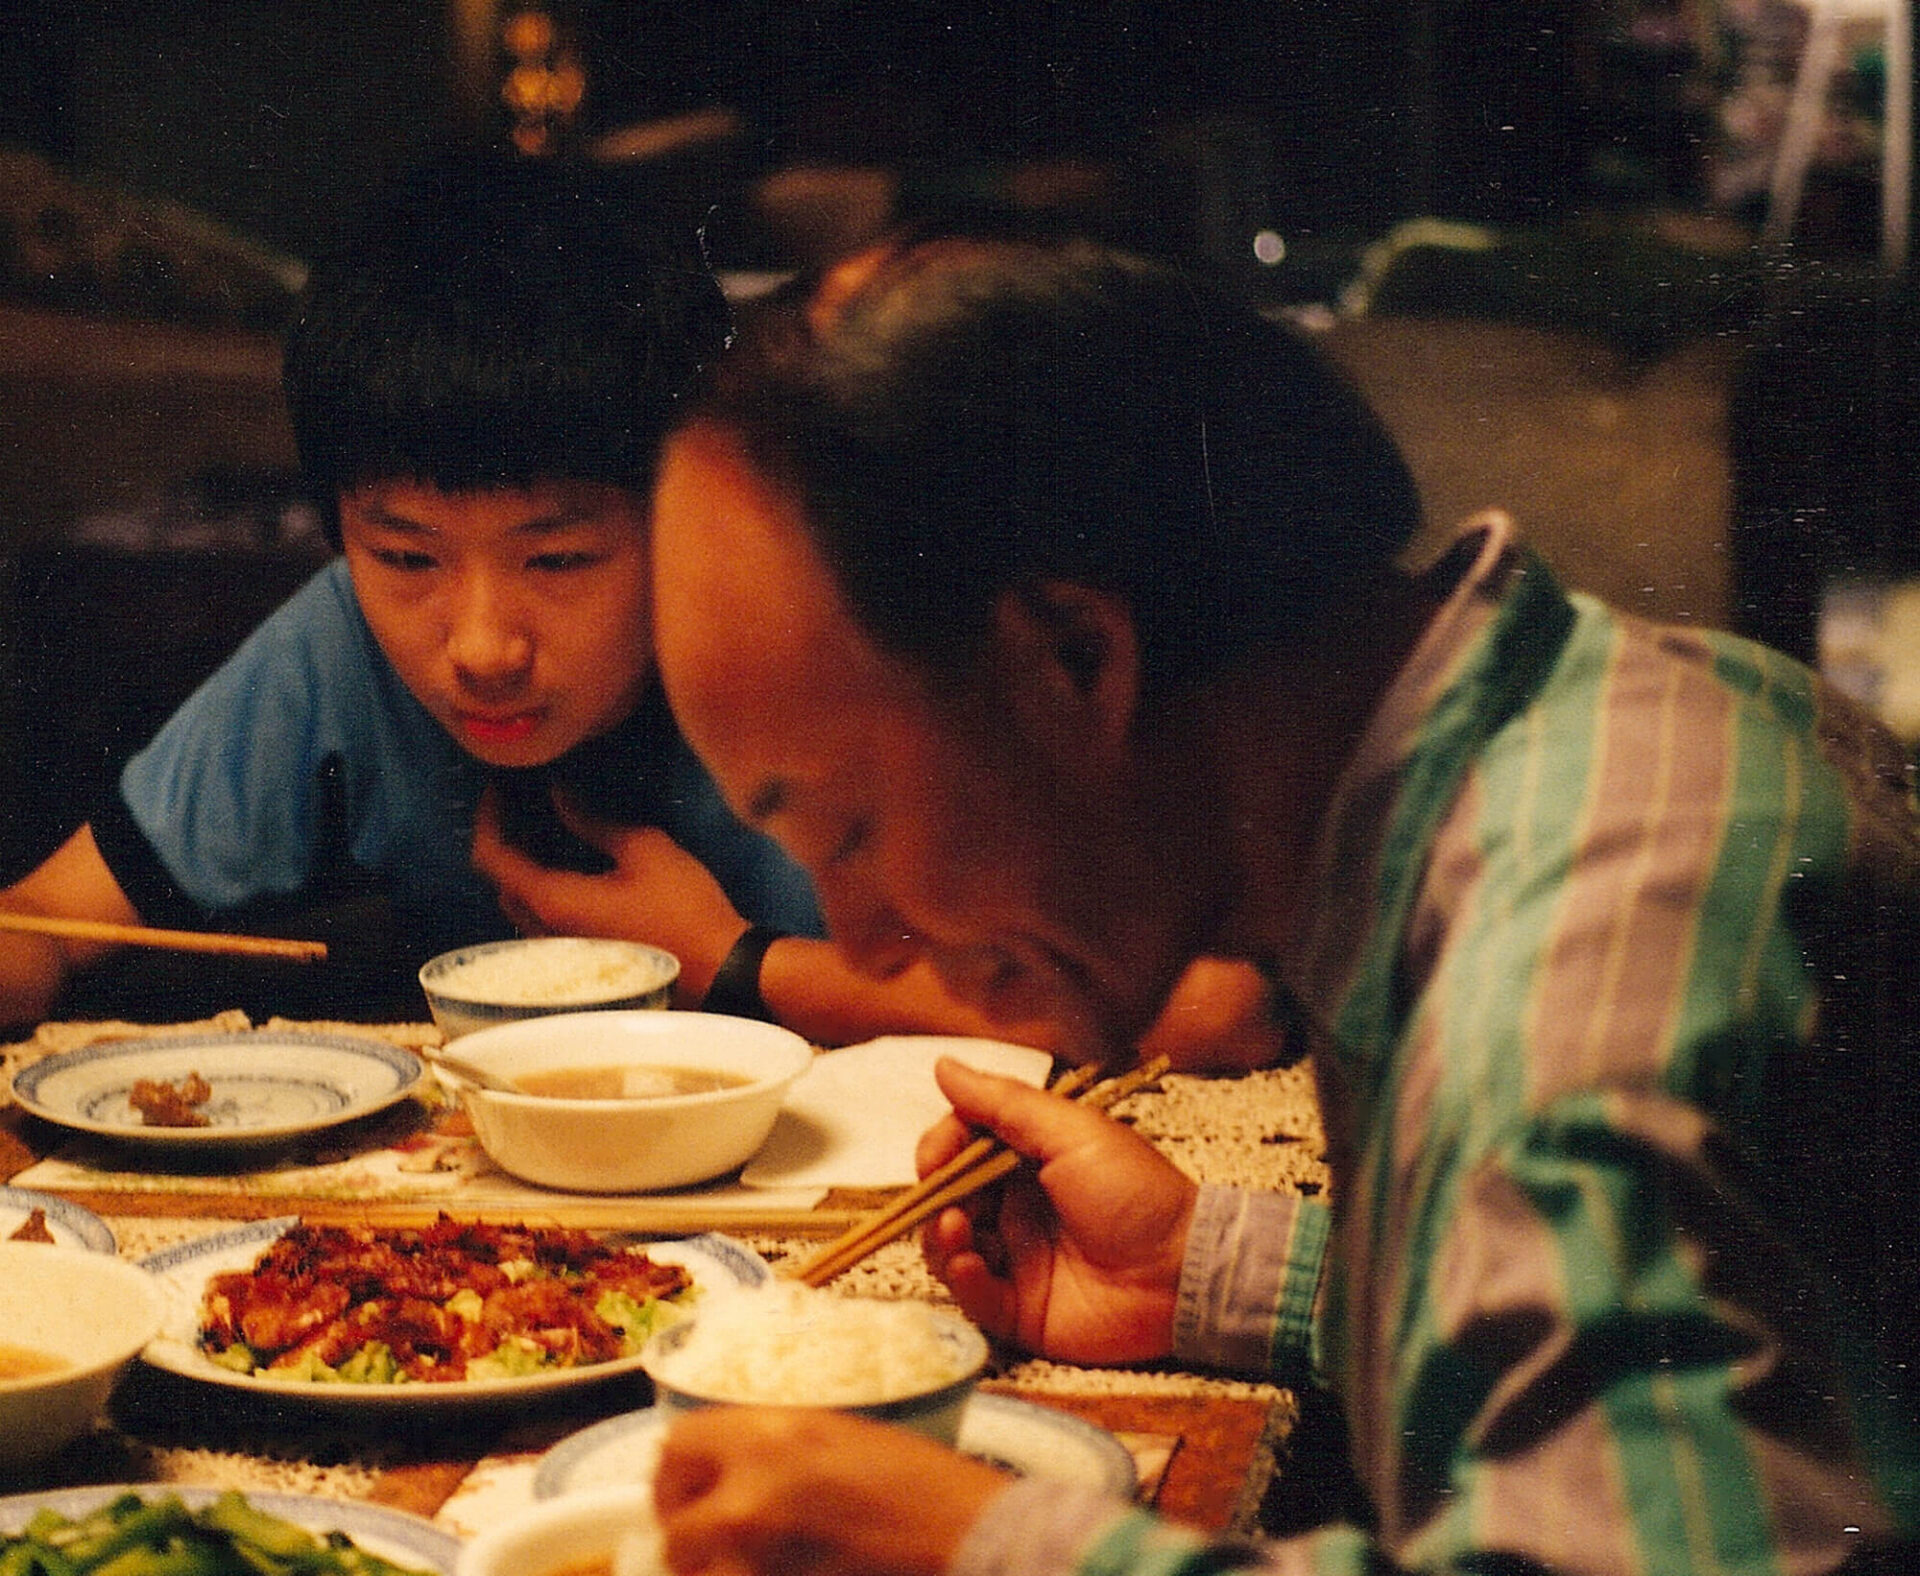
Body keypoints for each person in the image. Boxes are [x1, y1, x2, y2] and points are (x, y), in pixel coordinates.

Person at [644, 230, 1920, 1574]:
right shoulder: (1636, 711)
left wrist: (994, 1549)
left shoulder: (1560, 1017)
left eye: (847, 832)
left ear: (1074, 658)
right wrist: (1221, 1269)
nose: (862, 939)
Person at [0, 155, 1276, 1068]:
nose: (481, 646)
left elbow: (1211, 1006)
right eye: (404, 556)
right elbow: (43, 927)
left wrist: (731, 963)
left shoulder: (801, 647)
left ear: (689, 507)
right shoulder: (338, 649)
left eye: (558, 560)